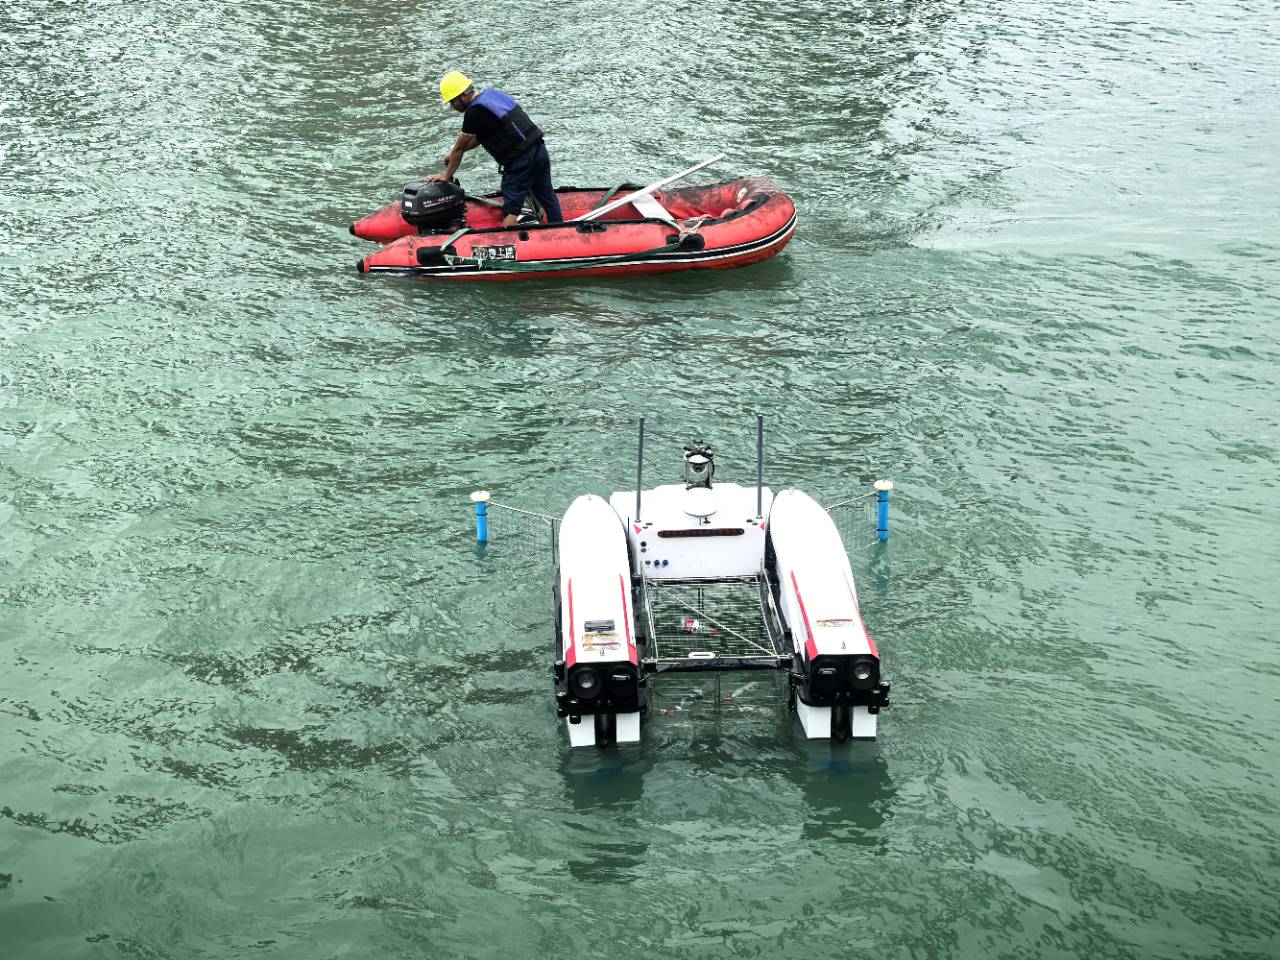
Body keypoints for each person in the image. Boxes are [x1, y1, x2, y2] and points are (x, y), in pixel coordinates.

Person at [427, 71, 564, 228]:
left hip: (521, 162)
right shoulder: (491, 96)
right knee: (547, 197)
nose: (453, 107)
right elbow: (480, 137)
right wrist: (454, 153)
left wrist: (446, 176)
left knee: (511, 211)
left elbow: (459, 147)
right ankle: (559, 228)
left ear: (462, 96)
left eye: (452, 101)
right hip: (539, 151)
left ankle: (507, 238)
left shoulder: (473, 112)